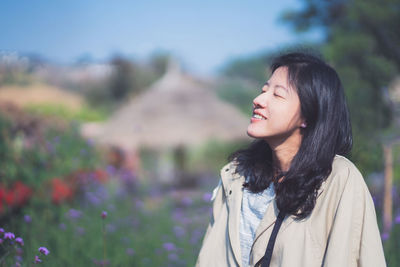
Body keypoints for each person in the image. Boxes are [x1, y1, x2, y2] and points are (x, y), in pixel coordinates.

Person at [196, 52, 387, 267]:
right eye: (264, 90)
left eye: (277, 95)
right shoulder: (236, 176)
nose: (258, 100)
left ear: (308, 115)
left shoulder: (338, 179)